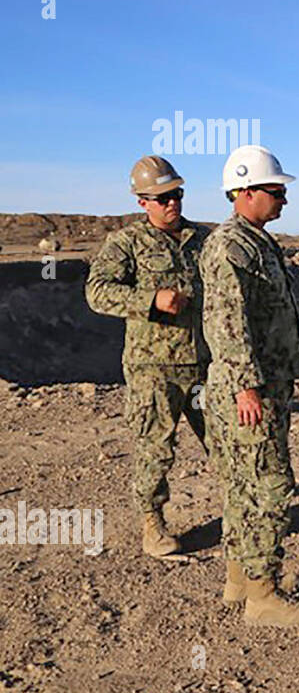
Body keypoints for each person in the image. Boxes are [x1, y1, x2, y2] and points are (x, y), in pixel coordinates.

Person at [201, 144, 299, 627]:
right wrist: (246, 387)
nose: (283, 200)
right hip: (252, 391)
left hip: (259, 384)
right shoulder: (232, 246)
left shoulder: (254, 241)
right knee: (269, 486)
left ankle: (242, 578)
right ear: (245, 191)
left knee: (242, 487)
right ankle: (264, 596)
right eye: (275, 191)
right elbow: (226, 323)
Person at [86, 155, 208, 558]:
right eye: (162, 198)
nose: (172, 203)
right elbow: (97, 292)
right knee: (155, 448)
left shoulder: (202, 240)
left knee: (227, 443)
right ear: (142, 202)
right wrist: (150, 300)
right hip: (153, 368)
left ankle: (247, 518)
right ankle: (152, 524)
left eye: (176, 194)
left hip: (204, 364)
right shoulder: (126, 244)